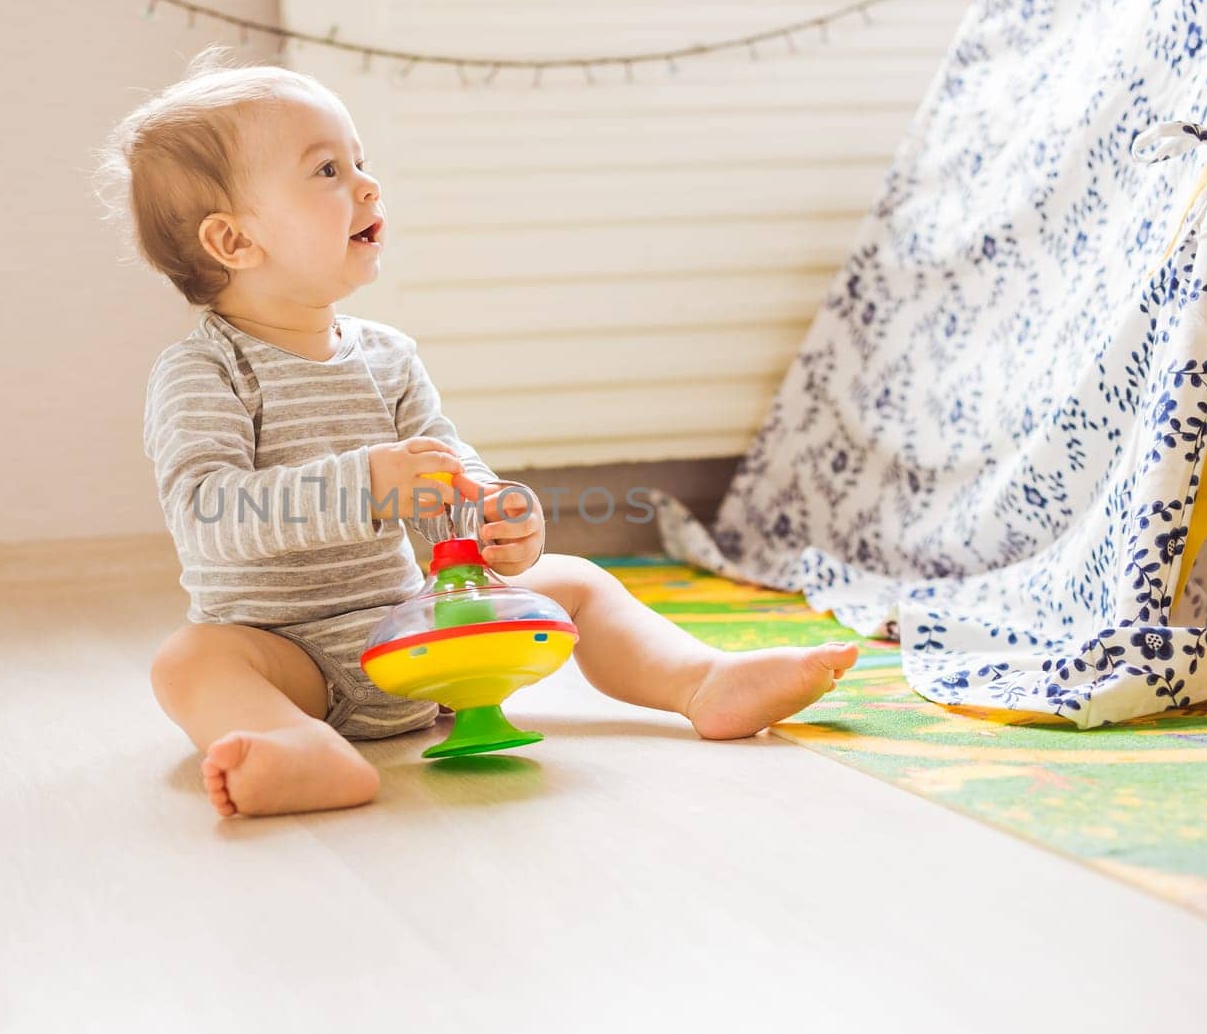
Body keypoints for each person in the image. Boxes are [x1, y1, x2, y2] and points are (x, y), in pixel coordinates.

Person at [99, 50, 859, 818]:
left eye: (359, 160)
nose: (367, 184)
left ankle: (701, 680)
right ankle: (298, 745)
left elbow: (448, 473)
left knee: (580, 582)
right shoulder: (204, 373)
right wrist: (365, 484)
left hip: (417, 634)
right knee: (190, 661)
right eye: (326, 170)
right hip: (287, 653)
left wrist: (491, 514)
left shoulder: (388, 356)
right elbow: (206, 516)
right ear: (234, 243)